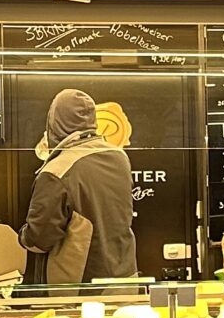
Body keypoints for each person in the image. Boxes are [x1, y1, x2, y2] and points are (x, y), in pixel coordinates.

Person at [21, 87, 137, 283]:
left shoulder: (57, 170)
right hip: (124, 277)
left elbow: (39, 240)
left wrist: (23, 236)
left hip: (79, 289)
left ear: (53, 122)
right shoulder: (119, 157)